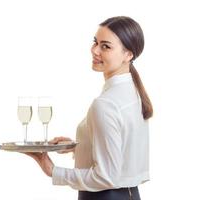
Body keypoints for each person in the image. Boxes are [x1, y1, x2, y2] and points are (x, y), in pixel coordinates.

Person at [23, 16, 153, 200]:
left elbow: (106, 177)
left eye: (105, 46)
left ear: (128, 55)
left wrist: (53, 171)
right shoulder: (133, 92)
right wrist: (81, 145)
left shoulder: (106, 103)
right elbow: (121, 154)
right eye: (95, 42)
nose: (95, 50)